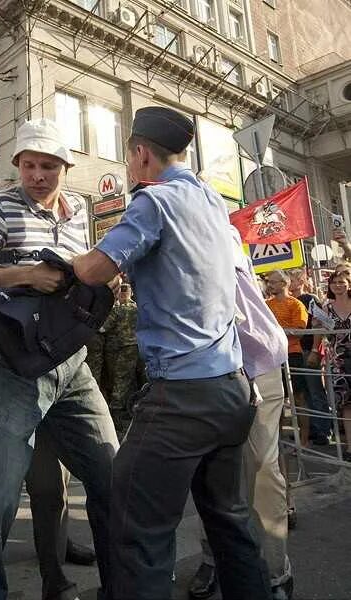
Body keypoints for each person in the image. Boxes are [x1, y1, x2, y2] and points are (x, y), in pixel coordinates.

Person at [72, 106, 271, 600]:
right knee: (230, 521)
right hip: (232, 388)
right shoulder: (208, 196)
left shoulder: (153, 202)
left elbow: (96, 269)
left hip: (181, 396)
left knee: (136, 525)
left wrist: (58, 261)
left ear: (141, 154)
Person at [0, 118, 118, 600]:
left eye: (47, 166)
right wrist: (25, 275)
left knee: (113, 475)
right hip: (13, 366)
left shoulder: (81, 210)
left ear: (66, 166)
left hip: (72, 363)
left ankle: (121, 584)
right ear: (18, 166)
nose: (37, 175)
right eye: (28, 165)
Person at [188, 228, 294, 600]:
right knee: (212, 472)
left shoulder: (219, 228)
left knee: (263, 470)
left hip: (256, 360)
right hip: (207, 367)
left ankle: (277, 572)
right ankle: (213, 557)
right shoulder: (167, 224)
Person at [264, 271, 311, 446]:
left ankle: (304, 441)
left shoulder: (296, 304)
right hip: (272, 356)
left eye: (273, 282)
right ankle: (278, 441)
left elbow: (299, 331)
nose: (269, 285)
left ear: (284, 283)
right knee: (277, 398)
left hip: (292, 355)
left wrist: (275, 331)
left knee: (298, 398)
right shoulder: (266, 305)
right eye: (269, 282)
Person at [288, 268, 332, 444]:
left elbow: (321, 323)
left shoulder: (310, 299)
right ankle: (312, 428)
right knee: (305, 392)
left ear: (300, 281)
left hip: (309, 349)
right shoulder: (290, 301)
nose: (289, 282)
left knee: (315, 391)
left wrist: (315, 349)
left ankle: (324, 430)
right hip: (297, 352)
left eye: (291, 278)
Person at [319, 270, 351, 461]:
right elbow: (324, 333)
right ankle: (349, 448)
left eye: (342, 282)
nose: (338, 285)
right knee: (346, 406)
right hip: (338, 361)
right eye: (334, 282)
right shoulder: (326, 307)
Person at [101, 282, 139, 437]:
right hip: (137, 347)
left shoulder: (118, 310)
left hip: (122, 348)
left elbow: (103, 328)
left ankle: (115, 413)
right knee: (131, 380)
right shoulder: (137, 308)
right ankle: (128, 410)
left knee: (120, 380)